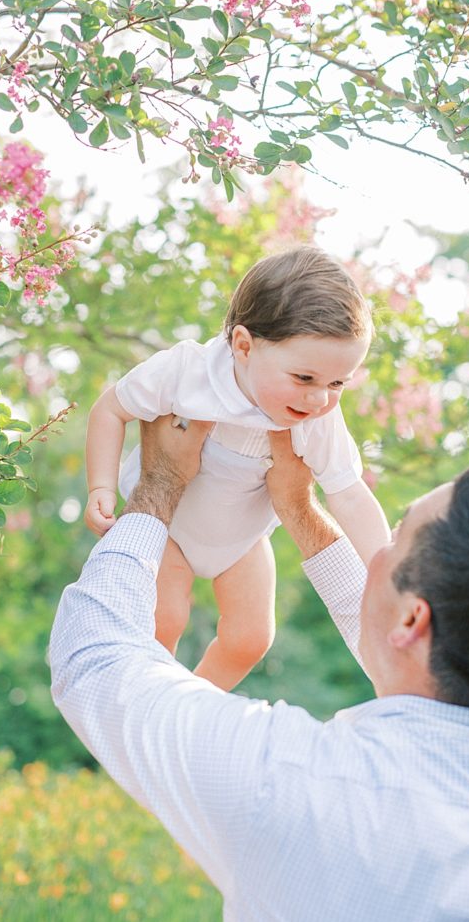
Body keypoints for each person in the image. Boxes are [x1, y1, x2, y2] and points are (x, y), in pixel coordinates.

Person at [50, 415, 469, 922]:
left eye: (394, 537)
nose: (377, 550)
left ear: (414, 617)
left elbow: (93, 658)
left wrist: (158, 487)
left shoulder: (293, 783)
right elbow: (403, 652)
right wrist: (298, 509)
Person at [84, 246, 389, 690]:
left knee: (251, 639)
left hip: (242, 539)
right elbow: (111, 409)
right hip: (167, 528)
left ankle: (189, 706)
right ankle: (144, 702)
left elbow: (348, 492)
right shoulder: (188, 372)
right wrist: (101, 487)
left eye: (338, 383)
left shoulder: (318, 418)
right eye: (304, 378)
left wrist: (384, 567)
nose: (319, 399)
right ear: (243, 346)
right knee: (162, 620)